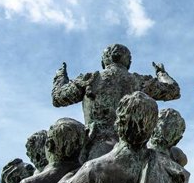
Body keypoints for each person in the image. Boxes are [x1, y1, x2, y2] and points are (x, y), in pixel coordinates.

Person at [51, 44, 180, 161]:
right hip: (133, 150)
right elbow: (173, 91)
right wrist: (161, 73)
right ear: (128, 62)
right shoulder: (141, 82)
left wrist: (60, 76)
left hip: (92, 146)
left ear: (104, 61)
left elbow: (58, 97)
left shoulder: (89, 79)